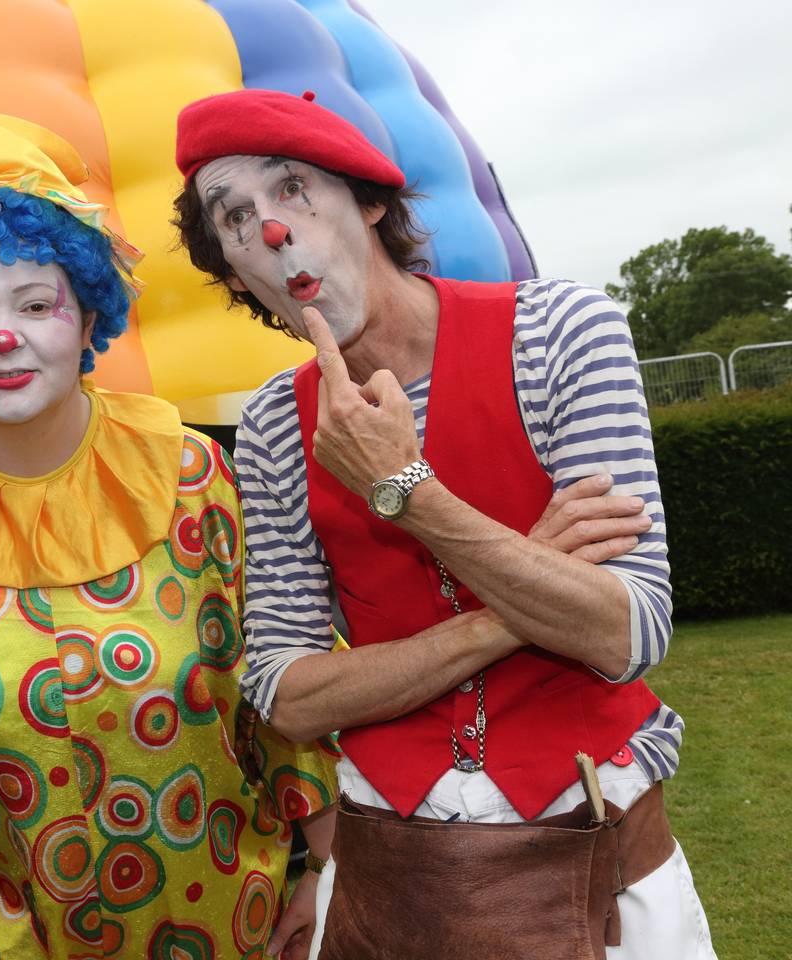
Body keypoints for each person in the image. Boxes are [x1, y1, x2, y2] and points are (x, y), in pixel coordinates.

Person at [171, 88, 716, 958]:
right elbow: (289, 694)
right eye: (235, 218)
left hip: (604, 878)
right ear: (235, 274)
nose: (272, 229)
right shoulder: (276, 423)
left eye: (294, 190)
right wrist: (517, 603)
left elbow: (628, 629)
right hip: (388, 886)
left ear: (374, 201)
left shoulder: (563, 332)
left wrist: (405, 492)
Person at [0, 109, 339, 959]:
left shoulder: (190, 476)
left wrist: (327, 873)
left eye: (36, 303)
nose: (4, 337)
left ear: (87, 316)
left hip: (232, 925)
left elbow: (285, 693)